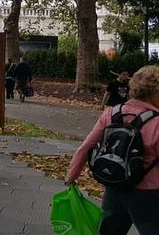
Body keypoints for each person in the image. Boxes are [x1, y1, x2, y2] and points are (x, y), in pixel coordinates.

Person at [65, 65, 159, 234]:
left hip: (115, 183)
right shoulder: (157, 122)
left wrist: (72, 175)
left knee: (109, 230)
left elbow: (88, 145)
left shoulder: (112, 113)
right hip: (149, 192)